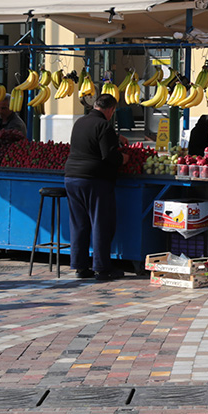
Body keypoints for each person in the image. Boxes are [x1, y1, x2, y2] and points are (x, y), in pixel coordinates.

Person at [64, 94, 129, 281]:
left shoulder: (80, 122)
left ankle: (80, 267)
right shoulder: (104, 125)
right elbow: (109, 156)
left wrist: (115, 137)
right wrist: (124, 158)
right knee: (101, 224)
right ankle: (102, 268)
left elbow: (91, 138)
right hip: (94, 180)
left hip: (72, 178)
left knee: (79, 224)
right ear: (110, 110)